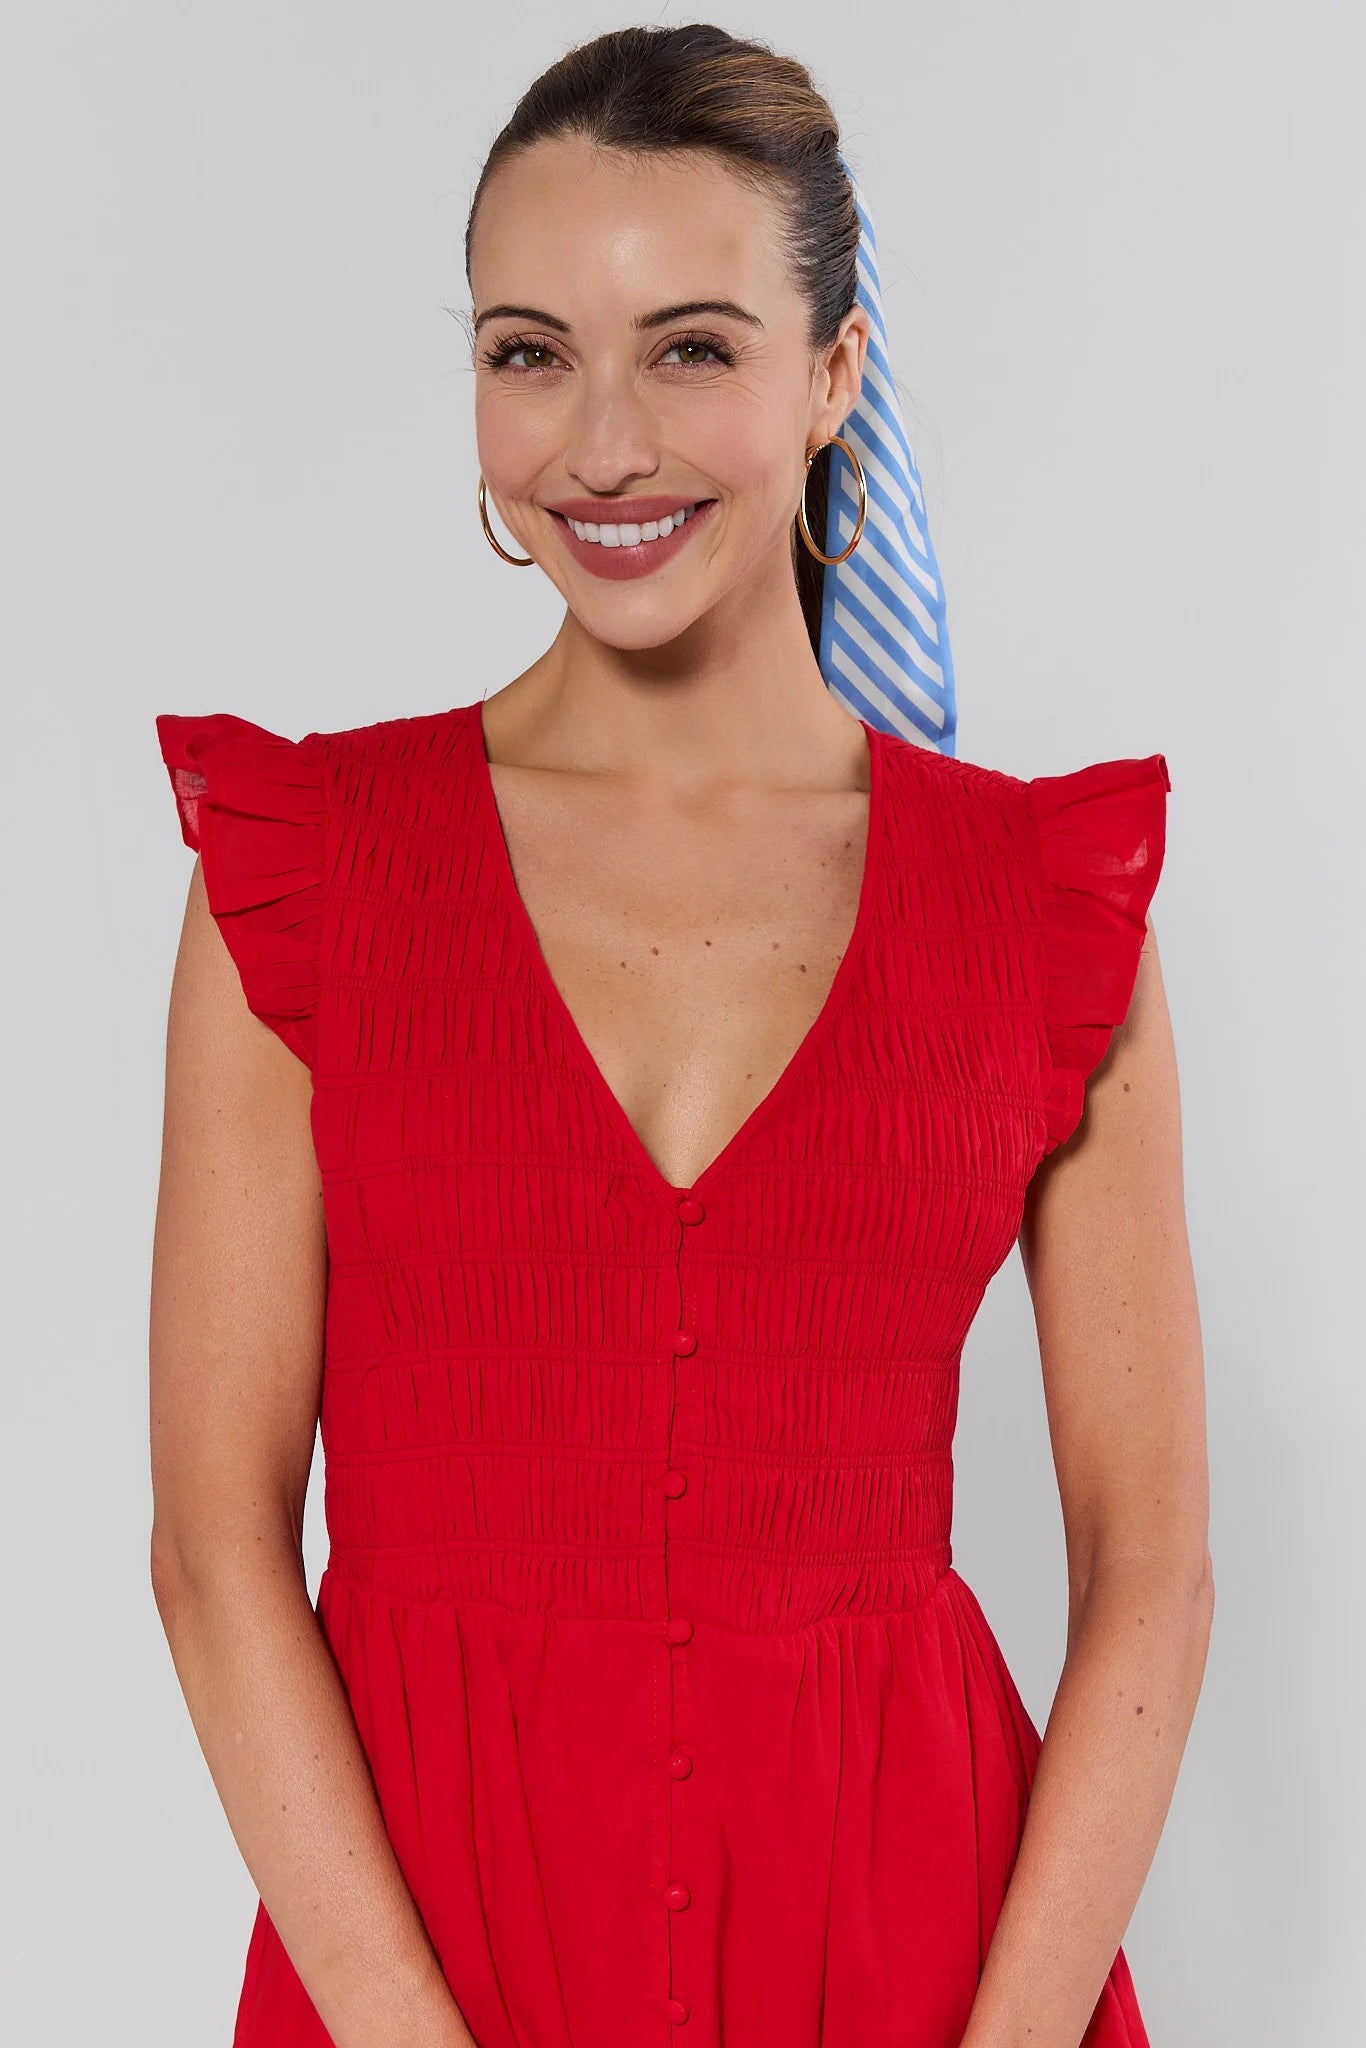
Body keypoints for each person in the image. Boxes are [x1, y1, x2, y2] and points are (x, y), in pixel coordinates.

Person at [149, 23, 1212, 2048]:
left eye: (694, 347)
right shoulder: (307, 874)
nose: (599, 443)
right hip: (418, 1963)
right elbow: (213, 1542)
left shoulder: (1041, 909)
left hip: (915, 1949)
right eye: (528, 350)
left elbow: (1146, 1556)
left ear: (833, 374)